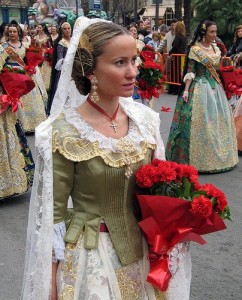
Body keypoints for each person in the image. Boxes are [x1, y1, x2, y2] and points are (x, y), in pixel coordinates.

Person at [21, 16, 192, 300]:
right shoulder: (61, 133)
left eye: (133, 60)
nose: (132, 71)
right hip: (92, 258)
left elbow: (159, 192)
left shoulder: (145, 121)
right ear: (91, 71)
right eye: (119, 62)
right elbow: (51, 218)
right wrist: (49, 288)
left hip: (143, 252)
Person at [166, 20, 239, 173]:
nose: (215, 35)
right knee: (199, 123)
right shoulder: (195, 49)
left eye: (215, 32)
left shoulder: (215, 48)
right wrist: (186, 90)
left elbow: (218, 68)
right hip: (199, 89)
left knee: (218, 121)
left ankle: (221, 157)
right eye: (212, 32)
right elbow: (190, 71)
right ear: (203, 32)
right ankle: (196, 158)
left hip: (215, 89)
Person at [1, 20, 47, 132]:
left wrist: (31, 66)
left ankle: (35, 124)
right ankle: (21, 125)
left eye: (14, 31)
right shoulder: (4, 47)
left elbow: (29, 59)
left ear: (18, 33)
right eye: (10, 31)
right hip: (11, 77)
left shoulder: (25, 45)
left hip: (25, 76)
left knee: (32, 100)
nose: (12, 33)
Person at [47, 21, 72, 114]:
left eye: (68, 28)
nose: (67, 30)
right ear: (62, 31)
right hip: (63, 71)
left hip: (75, 70)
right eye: (65, 29)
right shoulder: (61, 43)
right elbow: (60, 59)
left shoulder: (74, 41)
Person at [167, 21, 187, 95]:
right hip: (182, 56)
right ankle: (177, 88)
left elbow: (175, 46)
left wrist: (170, 53)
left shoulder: (178, 36)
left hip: (176, 57)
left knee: (175, 73)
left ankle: (174, 89)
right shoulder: (184, 36)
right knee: (179, 73)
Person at [34, 23, 52, 90]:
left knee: (46, 72)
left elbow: (50, 47)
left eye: (40, 27)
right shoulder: (36, 37)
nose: (38, 29)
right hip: (38, 56)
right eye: (38, 28)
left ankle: (46, 88)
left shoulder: (47, 37)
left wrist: (48, 52)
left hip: (46, 57)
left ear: (43, 28)